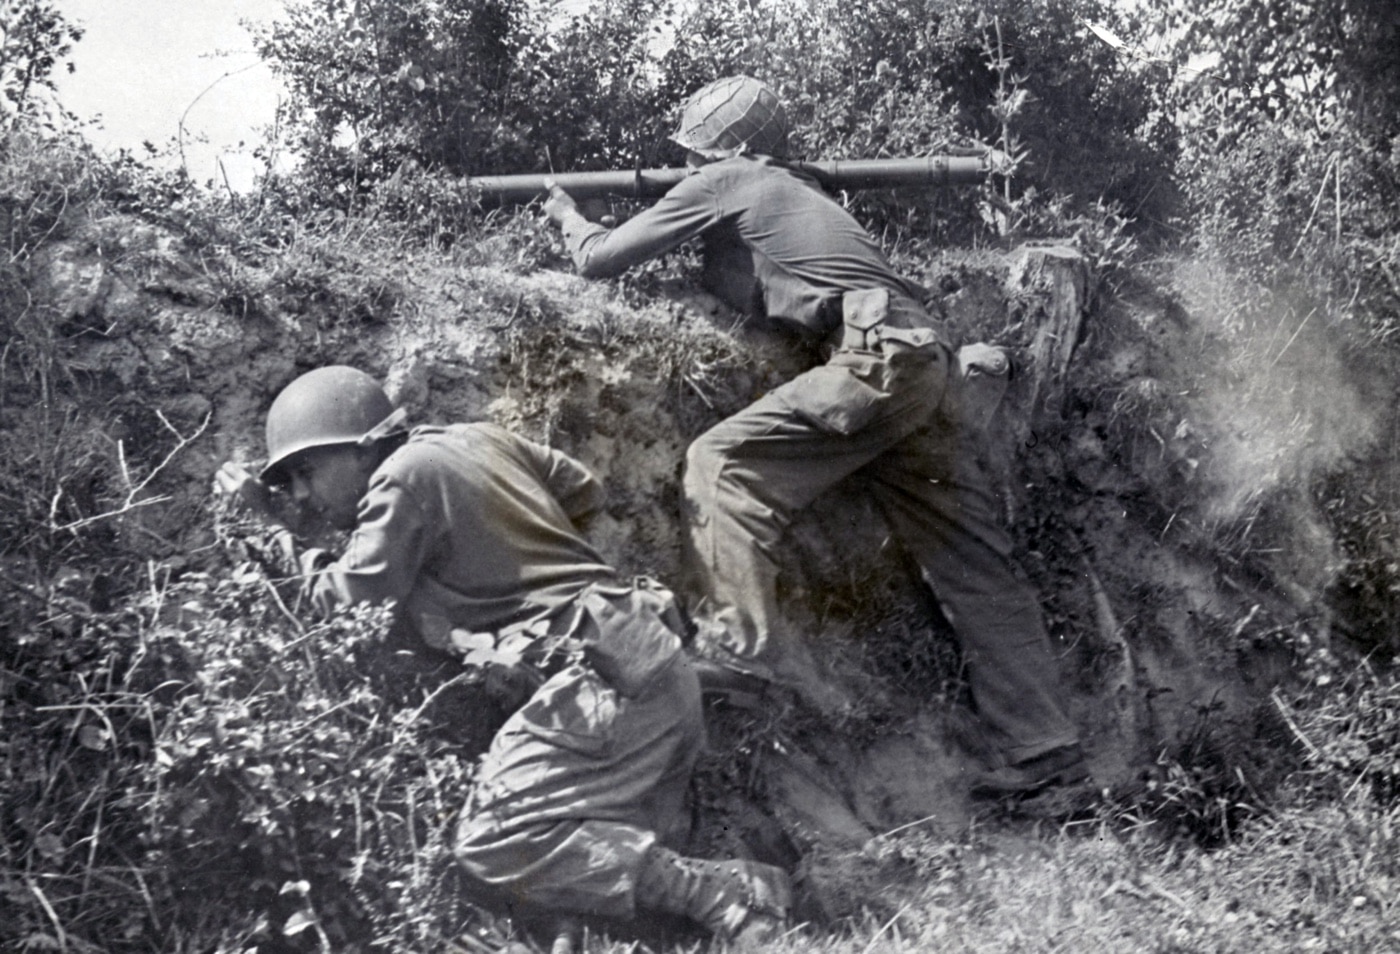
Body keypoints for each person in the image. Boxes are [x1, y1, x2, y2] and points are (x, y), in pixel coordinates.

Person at [542, 75, 1087, 796]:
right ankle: (1049, 755)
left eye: (697, 155)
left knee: (721, 463)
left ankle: (736, 652)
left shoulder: (729, 179)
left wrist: (568, 214)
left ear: (723, 151)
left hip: (877, 361)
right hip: (925, 363)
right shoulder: (797, 193)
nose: (694, 168)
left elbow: (599, 260)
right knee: (973, 564)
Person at [215, 365, 791, 946]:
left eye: (307, 472)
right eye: (290, 483)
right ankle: (738, 904)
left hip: (603, 680)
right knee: (568, 855)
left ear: (366, 449)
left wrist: (275, 537)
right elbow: (582, 488)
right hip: (642, 659)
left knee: (493, 842)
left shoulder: (400, 479)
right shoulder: (473, 439)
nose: (302, 494)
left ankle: (727, 893)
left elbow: (346, 600)